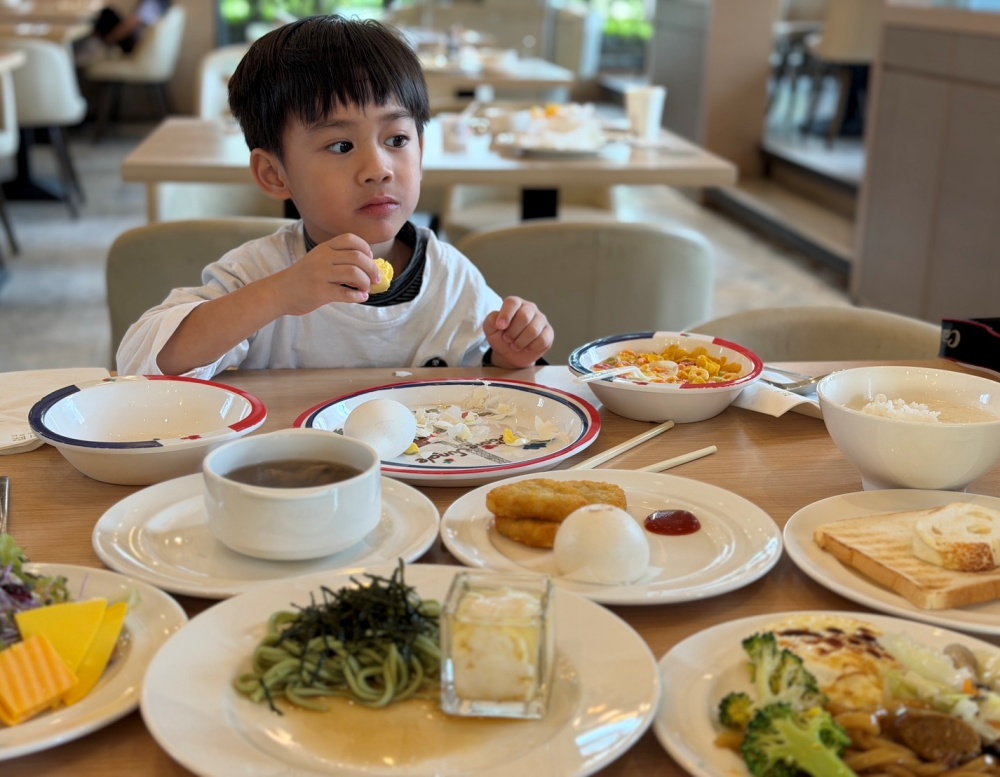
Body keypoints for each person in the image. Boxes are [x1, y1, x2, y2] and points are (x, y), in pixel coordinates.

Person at [116, 16, 553, 379]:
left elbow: (488, 384)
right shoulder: (260, 273)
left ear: (421, 153)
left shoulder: (452, 279)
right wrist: (278, 295)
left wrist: (512, 356)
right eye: (341, 146)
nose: (379, 168)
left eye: (397, 139)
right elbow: (144, 363)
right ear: (274, 174)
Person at [92, 0, 170, 54]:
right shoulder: (164, 3)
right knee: (108, 13)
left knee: (107, 13)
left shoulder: (152, 3)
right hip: (138, 42)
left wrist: (108, 40)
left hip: (133, 44)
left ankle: (95, 45)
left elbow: (130, 26)